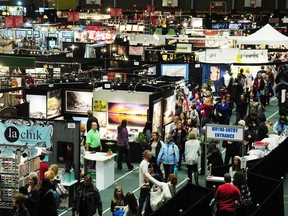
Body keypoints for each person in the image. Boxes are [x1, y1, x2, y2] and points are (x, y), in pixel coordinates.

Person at [138, 150, 151, 215]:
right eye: (150, 155)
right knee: (143, 200)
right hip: (145, 185)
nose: (151, 156)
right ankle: (140, 213)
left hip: (144, 185)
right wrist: (148, 183)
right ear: (147, 156)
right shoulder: (144, 164)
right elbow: (145, 175)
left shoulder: (144, 163)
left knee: (142, 200)